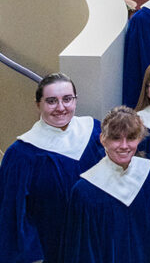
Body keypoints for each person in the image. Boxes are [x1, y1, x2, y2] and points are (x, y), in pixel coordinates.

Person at [0, 74, 104, 263]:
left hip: (98, 239)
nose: (61, 107)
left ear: (75, 100)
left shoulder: (95, 132)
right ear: (38, 104)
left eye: (67, 99)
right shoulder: (21, 154)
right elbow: (12, 214)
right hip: (51, 248)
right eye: (51, 101)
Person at [61, 107, 150, 263]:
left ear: (139, 138)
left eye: (131, 138)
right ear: (103, 139)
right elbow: (83, 251)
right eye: (116, 138)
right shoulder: (85, 190)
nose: (124, 146)